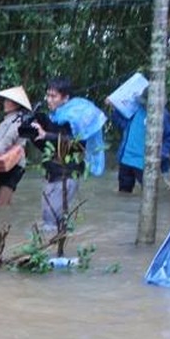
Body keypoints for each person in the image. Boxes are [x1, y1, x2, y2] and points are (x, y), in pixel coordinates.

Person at [24, 77, 103, 231]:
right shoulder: (55, 117)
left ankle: (57, 246)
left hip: (66, 176)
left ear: (65, 98)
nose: (49, 100)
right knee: (50, 219)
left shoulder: (75, 118)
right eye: (48, 95)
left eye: (53, 96)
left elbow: (76, 144)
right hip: (52, 174)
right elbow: (49, 147)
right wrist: (35, 134)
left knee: (51, 222)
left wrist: (46, 135)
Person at [106, 89, 170, 192]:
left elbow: (169, 137)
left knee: (149, 192)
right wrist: (112, 107)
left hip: (145, 163)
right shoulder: (135, 109)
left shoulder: (163, 115)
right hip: (126, 159)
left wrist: (161, 154)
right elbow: (123, 124)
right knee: (124, 192)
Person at [0, 86, 32, 206]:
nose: (5, 103)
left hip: (13, 164)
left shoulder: (18, 121)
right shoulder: (9, 119)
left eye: (8, 101)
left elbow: (7, 141)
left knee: (1, 204)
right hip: (6, 162)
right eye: (6, 100)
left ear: (16, 105)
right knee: (5, 202)